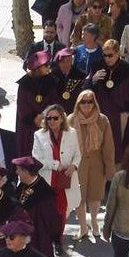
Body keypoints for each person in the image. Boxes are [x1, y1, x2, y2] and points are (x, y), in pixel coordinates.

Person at [68, 89, 115, 240]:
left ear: (94, 103)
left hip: (97, 162)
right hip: (77, 164)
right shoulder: (70, 120)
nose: (87, 105)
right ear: (78, 104)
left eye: (90, 102)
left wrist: (109, 169)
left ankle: (94, 222)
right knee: (79, 197)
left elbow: (108, 146)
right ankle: (82, 227)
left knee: (95, 195)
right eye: (83, 102)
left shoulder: (102, 120)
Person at [14, 154, 65, 257]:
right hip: (23, 239)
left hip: (38, 241)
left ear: (26, 172)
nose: (16, 172)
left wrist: (55, 239)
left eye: (18, 169)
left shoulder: (44, 193)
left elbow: (53, 222)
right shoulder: (23, 186)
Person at [33, 103, 82, 240]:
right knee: (47, 212)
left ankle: (58, 239)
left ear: (62, 118)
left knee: (62, 212)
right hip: (47, 181)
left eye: (55, 118)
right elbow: (36, 159)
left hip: (65, 181)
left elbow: (78, 155)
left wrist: (74, 166)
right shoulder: (39, 135)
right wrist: (55, 165)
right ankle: (46, 238)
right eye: (48, 118)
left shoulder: (71, 133)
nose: (51, 121)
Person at [88, 40, 129, 164]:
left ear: (117, 54)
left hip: (119, 118)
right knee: (99, 153)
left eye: (110, 55)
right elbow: (87, 92)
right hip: (100, 116)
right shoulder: (97, 67)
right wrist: (93, 81)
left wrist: (126, 114)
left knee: (118, 155)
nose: (107, 58)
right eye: (104, 55)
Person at [15, 50, 56, 157]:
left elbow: (54, 102)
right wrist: (34, 118)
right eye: (46, 65)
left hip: (47, 124)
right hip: (28, 127)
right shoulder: (24, 83)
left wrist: (43, 116)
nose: (48, 67)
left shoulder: (52, 81)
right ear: (38, 68)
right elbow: (22, 105)